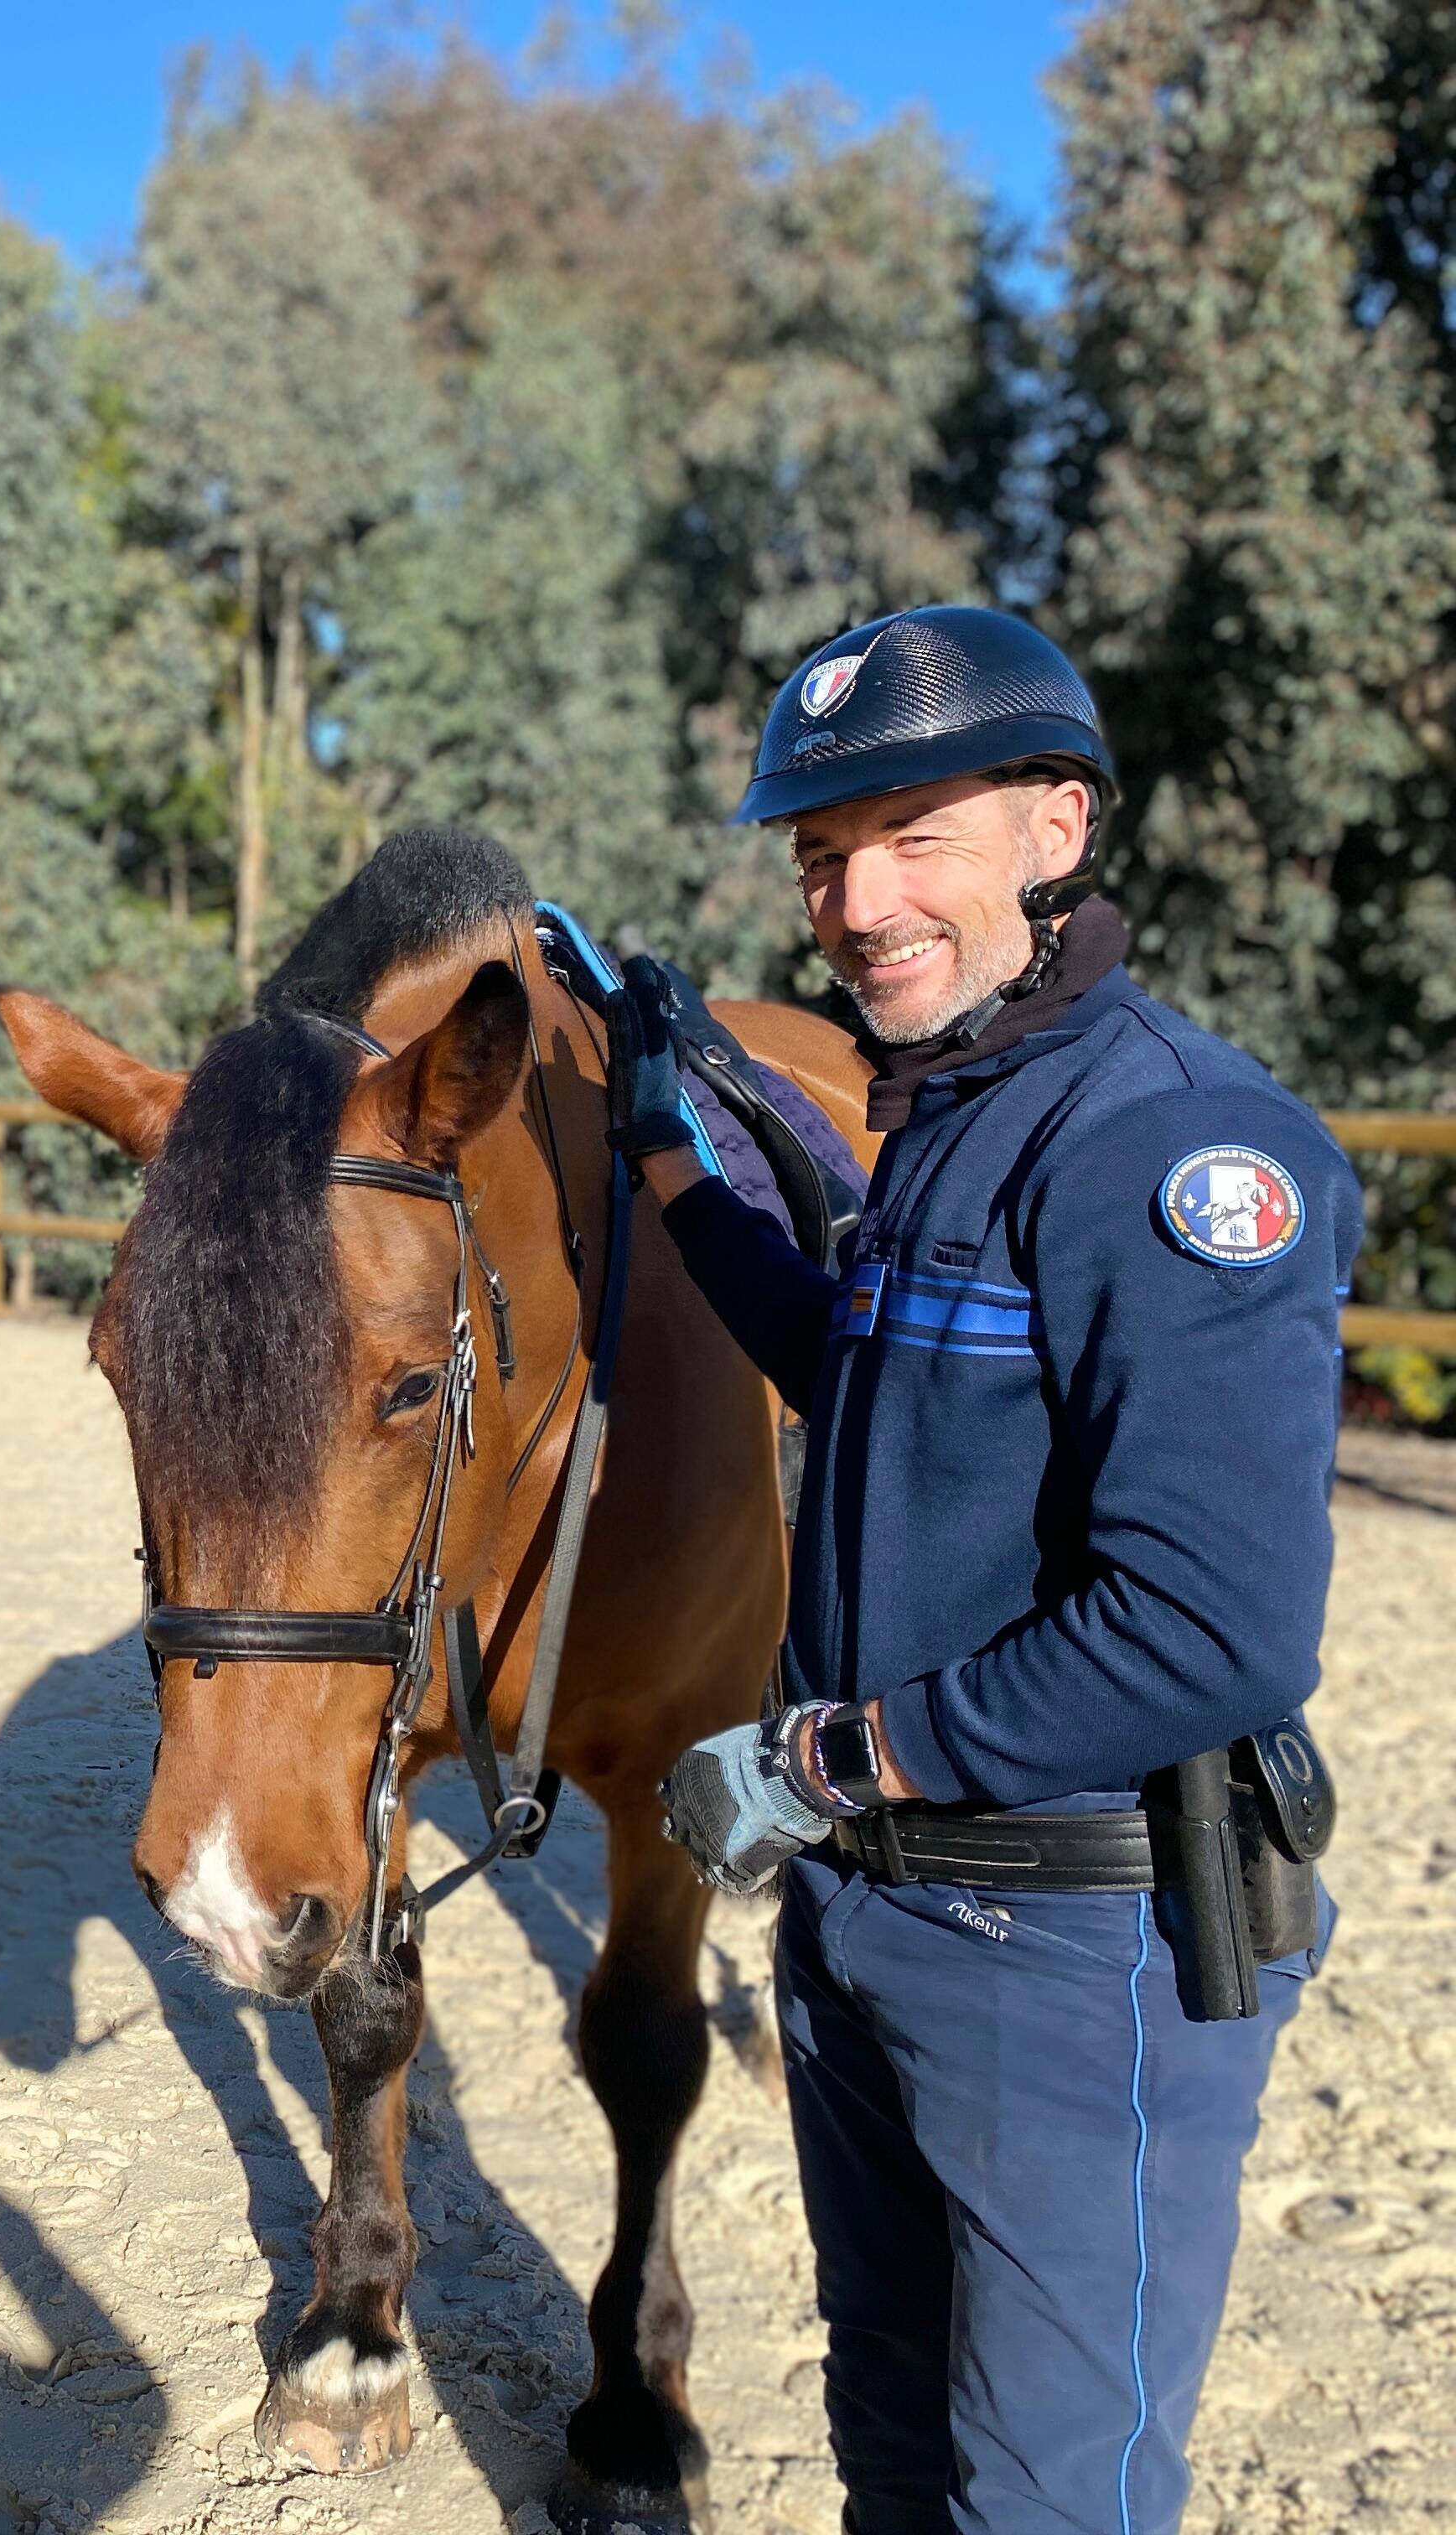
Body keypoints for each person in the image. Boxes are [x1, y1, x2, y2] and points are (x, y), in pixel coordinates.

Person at [627, 608, 1358, 2534]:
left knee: (1046, 2498)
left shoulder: (1171, 1148)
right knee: (892, 2455)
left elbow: (1208, 1632)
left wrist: (829, 1760)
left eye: (912, 836)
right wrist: (679, 1172)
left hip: (1064, 1949)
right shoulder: (952, 1117)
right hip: (869, 1929)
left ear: (1057, 825)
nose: (855, 899)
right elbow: (868, 1386)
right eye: (818, 853)